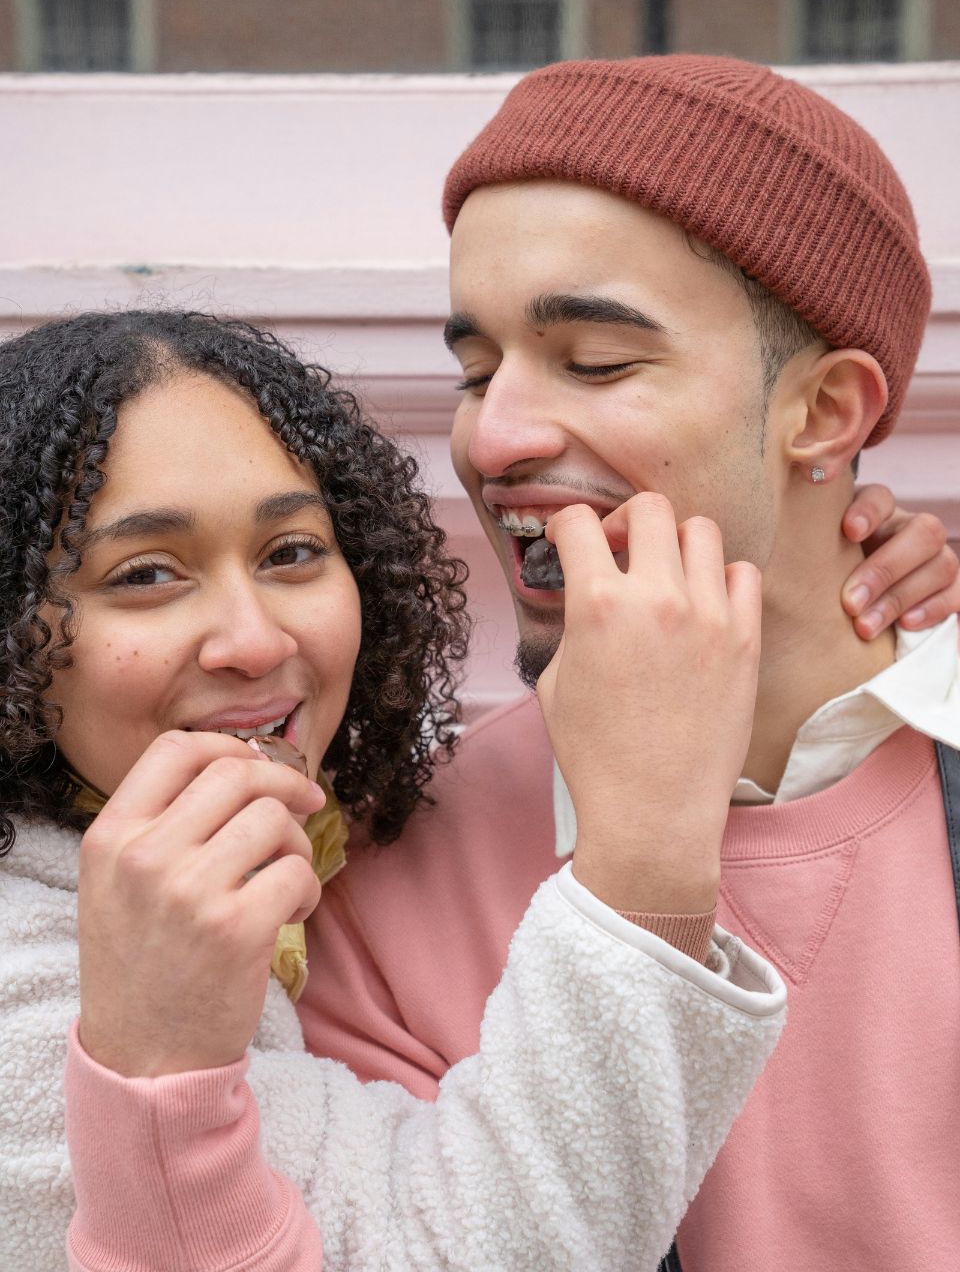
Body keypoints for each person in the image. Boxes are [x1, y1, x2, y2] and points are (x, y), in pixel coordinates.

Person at [300, 56, 960, 1270]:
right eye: (475, 369)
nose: (492, 438)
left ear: (823, 414)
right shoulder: (378, 880)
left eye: (595, 360)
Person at [0, 308, 794, 1272]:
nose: (255, 640)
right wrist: (645, 851)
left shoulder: (338, 839)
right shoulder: (32, 987)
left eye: (291, 552)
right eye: (147, 574)